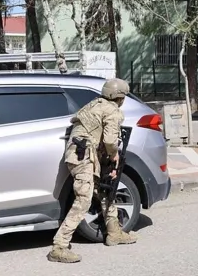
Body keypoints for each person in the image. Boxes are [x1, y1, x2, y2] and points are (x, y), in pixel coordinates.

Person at [47, 78, 139, 263]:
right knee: (84, 200)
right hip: (84, 157)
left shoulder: (94, 104)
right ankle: (59, 246)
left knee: (105, 191)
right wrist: (114, 156)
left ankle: (114, 232)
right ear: (120, 98)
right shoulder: (113, 111)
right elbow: (111, 141)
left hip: (82, 154)